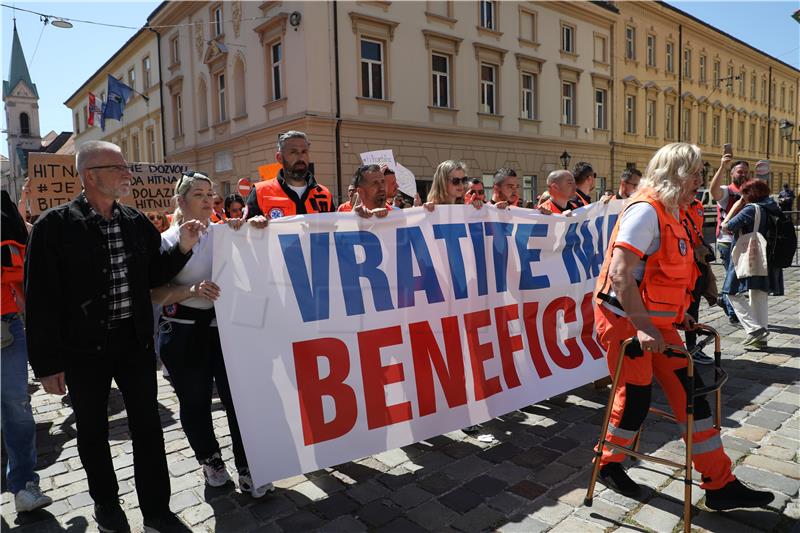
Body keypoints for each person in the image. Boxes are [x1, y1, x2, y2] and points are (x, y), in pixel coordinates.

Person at [24, 140, 200, 533]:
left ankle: (157, 510)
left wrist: (184, 247)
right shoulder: (55, 226)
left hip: (134, 344)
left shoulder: (135, 221)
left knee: (148, 428)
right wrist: (48, 365)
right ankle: (106, 504)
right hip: (83, 349)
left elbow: (156, 275)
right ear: (90, 176)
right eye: (118, 167)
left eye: (126, 167)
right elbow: (41, 300)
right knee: (92, 431)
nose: (127, 173)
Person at [592, 142, 773, 510]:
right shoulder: (645, 211)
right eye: (695, 173)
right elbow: (621, 275)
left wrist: (678, 315)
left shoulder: (673, 212)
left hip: (658, 325)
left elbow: (662, 276)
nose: (701, 181)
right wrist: (645, 328)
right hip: (626, 323)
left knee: (693, 397)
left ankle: (720, 484)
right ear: (675, 173)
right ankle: (608, 464)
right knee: (635, 400)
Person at [152, 171, 273, 499]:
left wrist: (258, 229)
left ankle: (249, 464)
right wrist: (190, 290)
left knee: (240, 400)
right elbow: (154, 293)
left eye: (210, 194)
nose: (207, 200)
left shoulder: (227, 232)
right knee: (194, 402)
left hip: (228, 331)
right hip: (184, 332)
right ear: (181, 201)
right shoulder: (166, 240)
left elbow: (256, 259)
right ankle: (210, 459)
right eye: (198, 194)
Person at [1, 191, 52, 514]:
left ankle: (23, 485)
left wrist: (33, 319)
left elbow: (19, 274)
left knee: (17, 405)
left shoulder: (3, 211)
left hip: (5, 326)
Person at [721, 179, 784, 349]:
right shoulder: (771, 208)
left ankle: (754, 329)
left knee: (730, 292)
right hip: (766, 258)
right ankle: (761, 339)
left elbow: (726, 226)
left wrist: (737, 205)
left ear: (750, 194)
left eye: (744, 193)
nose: (742, 197)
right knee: (758, 296)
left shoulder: (751, 209)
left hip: (748, 255)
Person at [245, 130, 334, 221]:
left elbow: (335, 229)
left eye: (304, 151)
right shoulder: (260, 192)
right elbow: (243, 232)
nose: (300, 157)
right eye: (293, 152)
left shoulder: (324, 194)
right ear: (280, 158)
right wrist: (250, 223)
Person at [709, 158, 749, 324]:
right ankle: (733, 312)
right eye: (740, 171)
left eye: (746, 171)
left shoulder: (749, 191)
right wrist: (721, 166)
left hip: (744, 240)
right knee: (732, 277)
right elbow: (713, 191)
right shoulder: (727, 191)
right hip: (727, 241)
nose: (744, 174)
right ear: (732, 173)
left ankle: (726, 301)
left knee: (737, 277)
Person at [682, 196, 716, 365]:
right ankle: (688, 347)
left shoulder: (698, 204)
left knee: (693, 306)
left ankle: (692, 347)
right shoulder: (675, 205)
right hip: (682, 263)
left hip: (699, 261)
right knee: (684, 306)